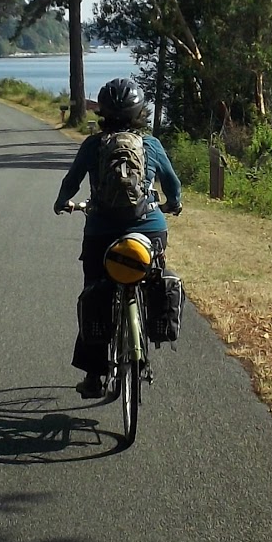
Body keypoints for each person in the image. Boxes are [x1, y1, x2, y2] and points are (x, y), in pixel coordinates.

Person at [54, 77, 183, 397]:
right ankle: (153, 326)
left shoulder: (93, 145)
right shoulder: (151, 145)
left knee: (94, 293)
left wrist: (62, 202)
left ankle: (94, 377)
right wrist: (173, 205)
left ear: (104, 111)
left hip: (101, 232)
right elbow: (173, 185)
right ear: (139, 111)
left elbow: (71, 182)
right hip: (149, 229)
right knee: (153, 279)